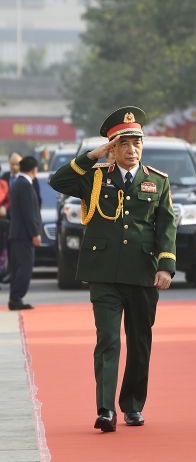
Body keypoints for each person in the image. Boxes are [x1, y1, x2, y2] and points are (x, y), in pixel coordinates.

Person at [49, 106, 177, 433]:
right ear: (113, 148)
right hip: (104, 273)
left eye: (137, 143)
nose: (132, 150)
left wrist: (166, 266)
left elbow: (166, 226)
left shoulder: (156, 182)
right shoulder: (95, 177)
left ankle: (132, 405)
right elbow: (57, 180)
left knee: (139, 342)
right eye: (124, 144)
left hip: (142, 273)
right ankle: (105, 410)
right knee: (107, 340)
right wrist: (92, 155)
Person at [7, 156, 41, 310]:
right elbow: (29, 213)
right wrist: (35, 233)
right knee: (24, 267)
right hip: (23, 235)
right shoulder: (25, 185)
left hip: (17, 234)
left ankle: (14, 299)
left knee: (18, 267)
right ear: (34, 169)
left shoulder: (19, 182)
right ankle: (16, 298)